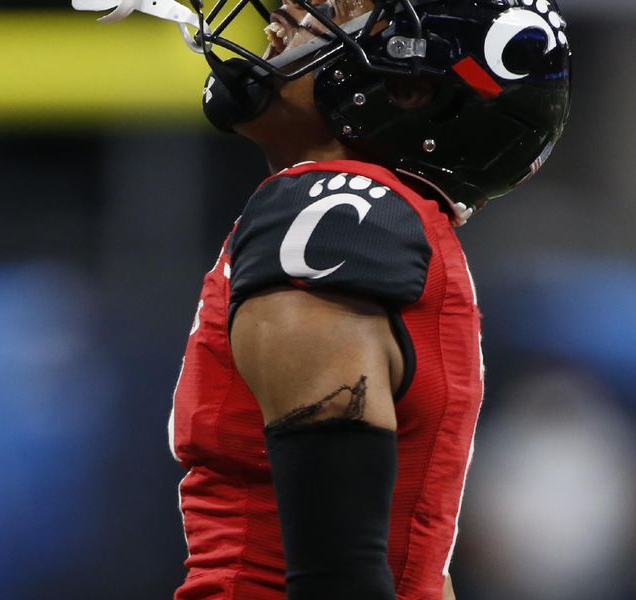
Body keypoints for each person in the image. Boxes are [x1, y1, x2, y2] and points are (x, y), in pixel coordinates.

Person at [75, 0, 571, 597]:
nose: (289, 11)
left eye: (337, 8)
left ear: (409, 88)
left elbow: (340, 576)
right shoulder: (400, 223)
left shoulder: (336, 214)